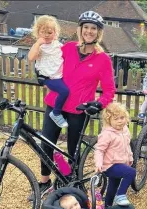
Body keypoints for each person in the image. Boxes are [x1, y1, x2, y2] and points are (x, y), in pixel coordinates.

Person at [35, 10, 116, 197]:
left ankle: (70, 181)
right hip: (55, 103)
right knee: (46, 144)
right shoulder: (67, 48)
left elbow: (109, 90)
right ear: (80, 30)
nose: (89, 31)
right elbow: (47, 60)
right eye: (86, 27)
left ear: (98, 32)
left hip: (79, 110)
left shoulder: (103, 59)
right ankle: (45, 181)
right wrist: (39, 72)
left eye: (93, 28)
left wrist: (100, 103)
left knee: (73, 150)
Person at [28, 15, 69, 128]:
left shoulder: (58, 45)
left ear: (55, 33)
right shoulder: (39, 47)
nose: (46, 35)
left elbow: (67, 56)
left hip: (59, 76)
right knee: (64, 91)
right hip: (48, 78)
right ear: (37, 32)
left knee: (68, 89)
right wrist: (37, 44)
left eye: (49, 32)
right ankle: (56, 113)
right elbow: (31, 58)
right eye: (43, 32)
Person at [94, 102, 135, 207]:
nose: (120, 121)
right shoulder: (107, 134)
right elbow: (99, 150)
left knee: (113, 185)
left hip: (120, 163)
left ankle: (107, 207)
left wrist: (130, 157)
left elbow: (127, 146)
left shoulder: (125, 130)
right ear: (109, 120)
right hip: (109, 165)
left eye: (122, 118)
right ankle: (120, 195)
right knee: (131, 173)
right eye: (116, 119)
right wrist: (98, 163)